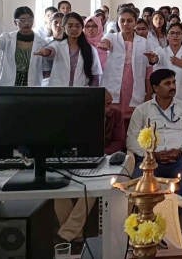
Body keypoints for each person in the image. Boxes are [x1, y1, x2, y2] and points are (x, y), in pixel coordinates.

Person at [54, 90, 125, 248]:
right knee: (60, 189)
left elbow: (119, 142)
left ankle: (66, 235)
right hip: (77, 159)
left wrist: (101, 154)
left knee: (92, 188)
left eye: (111, 102)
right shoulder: (79, 116)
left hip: (105, 160)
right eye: (107, 104)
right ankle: (76, 236)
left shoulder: (116, 115)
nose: (111, 107)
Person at [127, 68, 182, 201]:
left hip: (178, 159)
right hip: (150, 161)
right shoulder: (142, 110)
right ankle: (152, 216)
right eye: (167, 84)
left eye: (173, 82)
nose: (172, 86)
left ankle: (169, 215)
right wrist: (151, 154)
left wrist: (181, 151)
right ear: (155, 88)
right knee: (137, 184)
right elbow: (131, 139)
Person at [99, 7, 160, 120]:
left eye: (129, 20)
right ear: (118, 21)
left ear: (135, 22)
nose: (125, 24)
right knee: (113, 118)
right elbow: (106, 41)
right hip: (114, 87)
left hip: (134, 88)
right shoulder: (112, 37)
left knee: (133, 120)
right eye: (122, 20)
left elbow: (149, 70)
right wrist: (104, 43)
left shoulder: (144, 43)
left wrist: (148, 93)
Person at [34, 12, 102, 87]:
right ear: (63, 27)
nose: (74, 29)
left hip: (81, 93)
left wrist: (92, 94)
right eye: (70, 26)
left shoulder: (90, 49)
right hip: (59, 91)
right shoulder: (58, 45)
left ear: (82, 28)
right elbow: (51, 50)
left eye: (77, 26)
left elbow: (96, 75)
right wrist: (45, 51)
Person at [0, 6, 48, 86]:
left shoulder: (42, 43)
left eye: (30, 19)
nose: (26, 23)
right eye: (22, 20)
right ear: (15, 22)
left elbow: (46, 71)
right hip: (8, 85)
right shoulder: (7, 38)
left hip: (31, 85)